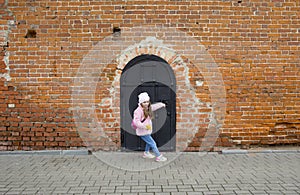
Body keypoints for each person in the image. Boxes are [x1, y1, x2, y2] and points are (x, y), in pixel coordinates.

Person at [133, 92, 167, 162]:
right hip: (143, 131)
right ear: (141, 102)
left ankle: (146, 152)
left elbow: (154, 107)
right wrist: (144, 126)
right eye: (144, 102)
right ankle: (159, 156)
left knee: (149, 142)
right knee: (153, 143)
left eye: (147, 102)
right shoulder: (138, 111)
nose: (146, 103)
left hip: (147, 130)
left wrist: (161, 104)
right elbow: (136, 122)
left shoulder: (148, 108)